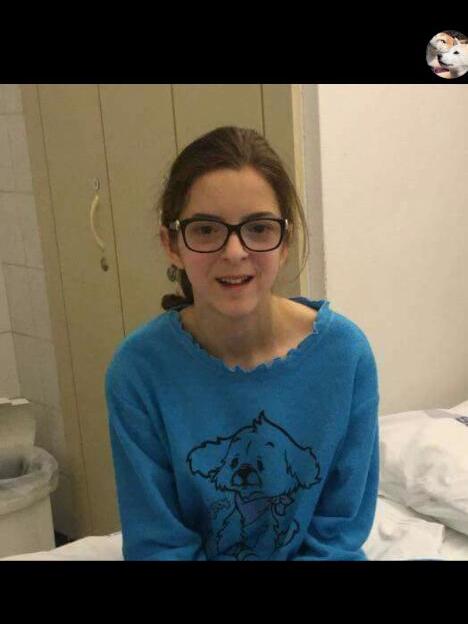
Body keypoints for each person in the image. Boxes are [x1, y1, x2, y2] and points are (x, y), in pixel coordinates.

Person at [105, 126, 380, 561]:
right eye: (206, 229)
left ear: (285, 241)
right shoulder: (138, 372)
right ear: (171, 244)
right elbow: (158, 546)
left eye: (258, 228)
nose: (234, 252)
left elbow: (337, 539)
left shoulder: (345, 358)